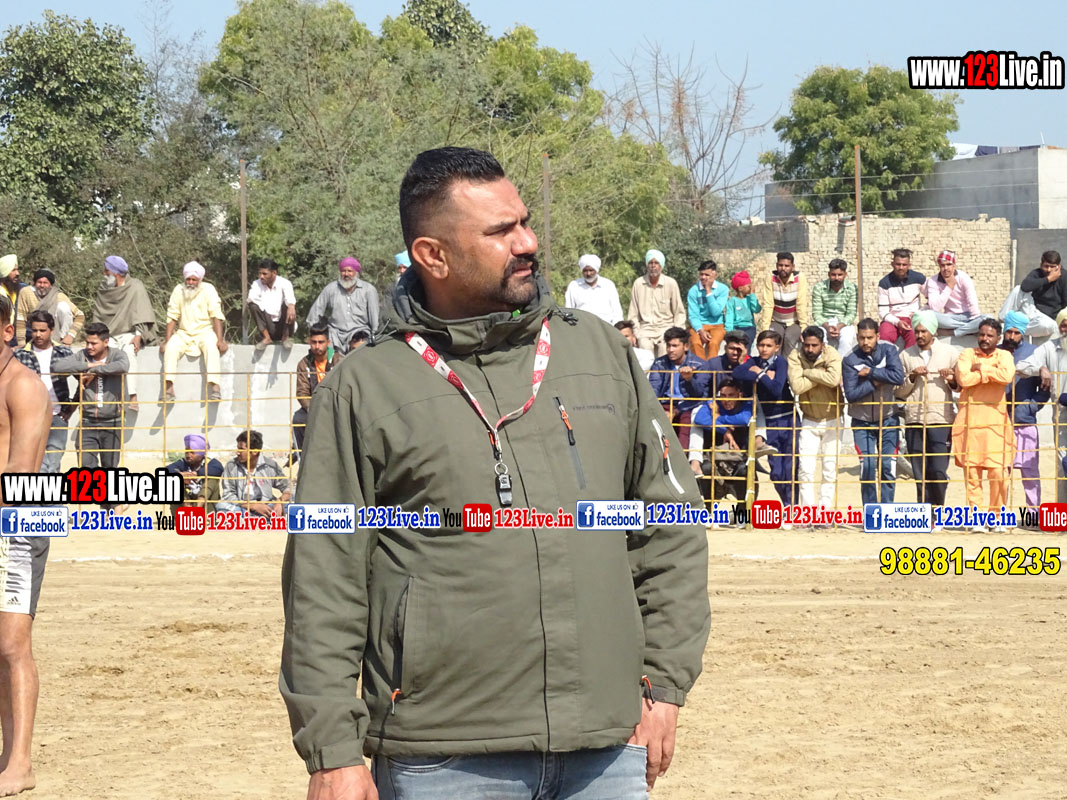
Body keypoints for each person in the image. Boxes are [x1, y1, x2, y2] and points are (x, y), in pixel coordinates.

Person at [282, 146, 710, 800]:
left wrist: (664, 685)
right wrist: (331, 750)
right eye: (500, 231)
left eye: (525, 222)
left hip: (607, 747)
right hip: (441, 758)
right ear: (432, 255)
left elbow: (669, 524)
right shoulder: (363, 387)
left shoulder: (598, 352)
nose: (527, 242)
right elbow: (324, 573)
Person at [0, 293, 52, 798]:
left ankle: (21, 762)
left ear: (6, 331)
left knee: (13, 645)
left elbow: (18, 473)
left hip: (17, 523)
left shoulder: (24, 386)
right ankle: (6, 755)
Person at [52, 323, 130, 508]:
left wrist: (95, 371)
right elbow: (58, 366)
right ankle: (115, 504)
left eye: (94, 343)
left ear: (106, 342)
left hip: (113, 421)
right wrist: (90, 365)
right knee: (86, 468)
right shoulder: (82, 356)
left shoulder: (117, 355)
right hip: (87, 422)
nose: (89, 346)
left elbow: (123, 366)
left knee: (110, 468)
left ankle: (110, 507)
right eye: (87, 342)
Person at [953, 318, 1016, 523]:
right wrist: (990, 373)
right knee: (972, 474)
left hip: (996, 425)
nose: (985, 339)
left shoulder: (1005, 355)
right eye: (981, 335)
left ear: (998, 338)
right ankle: (977, 517)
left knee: (998, 473)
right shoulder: (967, 354)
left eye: (990, 335)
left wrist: (980, 370)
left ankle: (997, 516)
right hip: (970, 424)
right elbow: (964, 379)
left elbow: (1006, 376)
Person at [895, 310, 959, 507]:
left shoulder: (950, 353)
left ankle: (938, 510)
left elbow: (960, 386)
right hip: (914, 420)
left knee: (938, 471)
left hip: (941, 420)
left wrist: (951, 379)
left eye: (924, 331)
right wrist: (912, 377)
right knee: (920, 473)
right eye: (917, 331)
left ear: (933, 331)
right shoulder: (905, 355)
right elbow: (898, 391)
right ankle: (924, 513)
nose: (920, 335)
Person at [843, 319, 906, 505]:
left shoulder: (889, 350)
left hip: (888, 418)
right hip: (861, 421)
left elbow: (898, 376)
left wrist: (870, 372)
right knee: (868, 468)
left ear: (877, 336)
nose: (866, 342)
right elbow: (851, 394)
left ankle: (887, 511)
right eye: (862, 338)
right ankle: (871, 512)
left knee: (888, 466)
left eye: (870, 338)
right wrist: (876, 381)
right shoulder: (850, 359)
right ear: (857, 337)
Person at [734, 330, 796, 507]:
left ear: (777, 347)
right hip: (769, 422)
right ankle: (788, 505)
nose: (764, 349)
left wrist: (759, 374)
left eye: (768, 345)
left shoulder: (780, 362)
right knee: (776, 472)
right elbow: (737, 373)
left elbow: (776, 390)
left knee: (790, 467)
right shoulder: (754, 361)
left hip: (787, 419)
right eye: (761, 345)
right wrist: (763, 375)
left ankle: (792, 507)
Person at [788, 326, 844, 510]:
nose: (810, 349)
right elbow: (797, 386)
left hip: (833, 418)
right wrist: (822, 374)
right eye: (807, 345)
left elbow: (834, 380)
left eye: (814, 345)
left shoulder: (832, 354)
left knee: (829, 468)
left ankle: (825, 511)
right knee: (805, 468)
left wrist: (808, 372)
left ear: (822, 344)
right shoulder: (795, 356)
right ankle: (808, 511)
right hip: (809, 418)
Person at [92, 255, 156, 412]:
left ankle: (132, 396)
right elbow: (99, 317)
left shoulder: (135, 286)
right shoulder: (104, 289)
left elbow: (141, 312)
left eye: (106, 271)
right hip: (108, 335)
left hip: (129, 333)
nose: (104, 274)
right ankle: (116, 399)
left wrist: (138, 335)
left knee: (128, 354)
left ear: (115, 273)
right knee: (108, 358)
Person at [1017, 308, 1067, 505]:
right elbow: (1021, 366)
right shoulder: (1049, 348)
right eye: (1063, 325)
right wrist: (1041, 369)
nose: (1066, 329)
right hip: (1062, 416)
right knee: (1063, 465)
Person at [1000, 312, 1048, 515]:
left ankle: (1034, 515)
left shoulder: (1034, 353)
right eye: (1009, 332)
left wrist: (1031, 406)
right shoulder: (995, 352)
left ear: (1023, 333)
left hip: (1025, 421)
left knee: (1030, 472)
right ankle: (998, 515)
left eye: (1016, 333)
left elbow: (1045, 388)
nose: (1012, 336)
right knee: (1001, 471)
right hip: (999, 422)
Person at [160, 261, 227, 403]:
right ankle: (168, 389)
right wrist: (166, 341)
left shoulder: (209, 289)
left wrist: (220, 340)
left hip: (205, 331)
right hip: (183, 333)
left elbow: (216, 315)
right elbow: (172, 316)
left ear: (200, 279)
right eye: (188, 279)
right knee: (171, 348)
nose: (190, 282)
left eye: (194, 280)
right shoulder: (178, 290)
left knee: (211, 346)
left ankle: (215, 387)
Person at [23, 310, 75, 474]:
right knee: (36, 465)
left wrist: (72, 407)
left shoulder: (64, 353)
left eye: (42, 330)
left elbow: (86, 380)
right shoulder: (20, 355)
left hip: (58, 416)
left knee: (53, 464)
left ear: (51, 330)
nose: (38, 334)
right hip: (30, 418)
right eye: (34, 330)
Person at [688, 378, 752, 502]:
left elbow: (744, 419)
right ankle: (708, 511)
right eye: (723, 395)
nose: (726, 400)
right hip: (714, 457)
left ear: (739, 395)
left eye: (731, 395)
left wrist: (717, 417)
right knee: (706, 468)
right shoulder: (713, 404)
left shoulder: (745, 405)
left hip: (737, 459)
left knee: (744, 470)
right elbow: (699, 419)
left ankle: (742, 513)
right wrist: (724, 430)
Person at [647, 326, 710, 451]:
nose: (671, 350)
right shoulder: (659, 363)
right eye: (668, 346)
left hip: (687, 404)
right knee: (653, 422)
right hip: (665, 402)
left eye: (675, 346)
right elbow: (654, 389)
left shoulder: (699, 364)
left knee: (686, 424)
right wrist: (657, 409)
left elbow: (700, 395)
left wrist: (689, 380)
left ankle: (682, 457)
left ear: (685, 346)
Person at [306, 257, 380, 354]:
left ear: (356, 273)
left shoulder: (369, 290)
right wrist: (314, 333)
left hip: (359, 332)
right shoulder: (331, 288)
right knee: (326, 352)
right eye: (343, 271)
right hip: (334, 333)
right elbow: (316, 310)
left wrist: (374, 335)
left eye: (350, 271)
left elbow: (374, 317)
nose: (346, 274)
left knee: (360, 350)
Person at [292, 325, 343, 460]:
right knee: (298, 420)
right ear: (309, 342)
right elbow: (302, 392)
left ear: (328, 342)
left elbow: (344, 388)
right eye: (314, 342)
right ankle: (303, 460)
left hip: (335, 406)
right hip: (313, 407)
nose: (317, 346)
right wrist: (313, 409)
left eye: (321, 342)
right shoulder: (304, 364)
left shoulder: (339, 361)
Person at [218, 429, 291, 518]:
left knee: (293, 504)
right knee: (221, 506)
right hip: (243, 507)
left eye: (241, 449)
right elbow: (228, 494)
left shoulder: (269, 465)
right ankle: (260, 519)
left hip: (267, 507)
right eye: (238, 448)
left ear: (255, 451)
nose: (238, 452)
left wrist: (280, 501)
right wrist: (252, 505)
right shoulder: (231, 466)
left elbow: (288, 487)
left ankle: (260, 518)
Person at [627, 249, 686, 356]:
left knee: (665, 348)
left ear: (661, 266)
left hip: (666, 328)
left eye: (656, 263)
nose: (653, 266)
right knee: (645, 349)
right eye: (650, 263)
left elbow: (679, 312)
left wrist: (677, 332)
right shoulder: (638, 283)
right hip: (645, 329)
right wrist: (636, 333)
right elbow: (633, 314)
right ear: (647, 265)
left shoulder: (671, 283)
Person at [1000, 250, 1066, 338]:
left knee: (1048, 325)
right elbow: (1025, 287)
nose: (1049, 270)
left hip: (1047, 318)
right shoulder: (1037, 273)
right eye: (1046, 266)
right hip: (1032, 310)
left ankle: (1015, 328)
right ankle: (1003, 321)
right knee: (1018, 289)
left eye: (1052, 267)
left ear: (1058, 267)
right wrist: (1048, 279)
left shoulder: (1064, 277)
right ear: (1041, 265)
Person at [756, 252, 810, 356]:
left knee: (789, 339)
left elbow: (801, 304)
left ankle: (786, 366)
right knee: (775, 341)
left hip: (793, 322)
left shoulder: (800, 278)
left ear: (792, 267)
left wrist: (803, 327)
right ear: (777, 265)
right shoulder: (771, 277)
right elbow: (768, 304)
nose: (783, 268)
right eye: (780, 265)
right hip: (776, 321)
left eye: (787, 266)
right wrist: (765, 329)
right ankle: (774, 365)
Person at [14, 269, 84, 346]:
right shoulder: (26, 292)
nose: (42, 285)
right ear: (34, 283)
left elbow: (80, 315)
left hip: (57, 334)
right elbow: (20, 319)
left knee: (63, 307)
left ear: (51, 285)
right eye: (39, 282)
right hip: (35, 333)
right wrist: (21, 344)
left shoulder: (58, 296)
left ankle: (62, 345)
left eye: (45, 283)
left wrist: (71, 335)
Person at [922, 250, 983, 338]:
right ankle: (969, 329)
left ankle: (953, 332)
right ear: (939, 266)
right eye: (943, 265)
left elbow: (971, 299)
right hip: (949, 318)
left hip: (968, 316)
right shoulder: (933, 281)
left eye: (949, 264)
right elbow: (935, 307)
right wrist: (949, 287)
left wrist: (975, 318)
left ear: (954, 265)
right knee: (929, 315)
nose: (946, 268)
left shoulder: (963, 277)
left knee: (987, 318)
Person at [877, 248, 925, 349]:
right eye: (898, 264)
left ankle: (911, 359)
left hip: (912, 317)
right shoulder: (884, 283)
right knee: (884, 335)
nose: (901, 267)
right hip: (892, 319)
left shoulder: (919, 278)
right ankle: (887, 358)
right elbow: (882, 311)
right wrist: (897, 322)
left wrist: (920, 312)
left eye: (904, 265)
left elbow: (932, 299)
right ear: (892, 264)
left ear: (909, 265)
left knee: (914, 335)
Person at [165, 433, 224, 513]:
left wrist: (197, 474)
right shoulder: (183, 462)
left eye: (192, 452)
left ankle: (197, 508)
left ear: (201, 454)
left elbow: (219, 469)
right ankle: (188, 509)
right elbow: (166, 470)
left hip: (206, 508)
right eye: (187, 452)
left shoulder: (211, 463)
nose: (188, 455)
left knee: (212, 479)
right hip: (186, 506)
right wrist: (180, 476)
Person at [248, 258, 297, 350]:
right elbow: (251, 298)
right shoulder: (256, 284)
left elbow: (290, 299)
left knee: (290, 306)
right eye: (260, 273)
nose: (261, 276)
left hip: (284, 325)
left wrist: (291, 306)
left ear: (274, 273)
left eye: (264, 274)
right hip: (267, 324)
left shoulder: (285, 283)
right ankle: (266, 338)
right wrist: (266, 309)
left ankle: (286, 338)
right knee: (253, 306)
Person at [811, 258, 858, 354]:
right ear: (829, 274)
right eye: (833, 275)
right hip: (824, 322)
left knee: (846, 339)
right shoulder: (819, 288)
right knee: (818, 338)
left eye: (840, 275)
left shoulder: (852, 288)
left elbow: (851, 314)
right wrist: (827, 327)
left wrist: (839, 326)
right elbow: (817, 314)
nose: (836, 278)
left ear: (845, 274)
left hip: (843, 323)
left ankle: (841, 362)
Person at [563, 254, 623, 324]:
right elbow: (569, 310)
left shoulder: (608, 285)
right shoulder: (574, 286)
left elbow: (617, 312)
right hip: (582, 327)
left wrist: (618, 327)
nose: (588, 273)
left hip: (605, 327)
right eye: (585, 271)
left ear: (596, 270)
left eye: (591, 270)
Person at [686, 260, 728, 359]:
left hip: (717, 324)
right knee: (695, 343)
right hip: (699, 325)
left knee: (713, 343)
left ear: (715, 275)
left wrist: (708, 291)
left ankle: (711, 366)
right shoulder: (693, 291)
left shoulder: (723, 289)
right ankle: (700, 366)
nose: (703, 277)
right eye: (701, 274)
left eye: (707, 275)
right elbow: (693, 315)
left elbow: (716, 312)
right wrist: (700, 330)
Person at [723, 270, 760, 351]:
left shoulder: (750, 299)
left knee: (747, 345)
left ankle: (747, 358)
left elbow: (757, 309)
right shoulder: (732, 301)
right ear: (740, 288)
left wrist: (753, 295)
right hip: (737, 327)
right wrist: (729, 331)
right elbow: (729, 317)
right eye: (748, 286)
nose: (750, 288)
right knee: (737, 346)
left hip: (749, 327)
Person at [0, 256, 27, 348]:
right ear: (5, 272)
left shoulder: (22, 290)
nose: (17, 273)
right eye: (13, 270)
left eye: (17, 270)